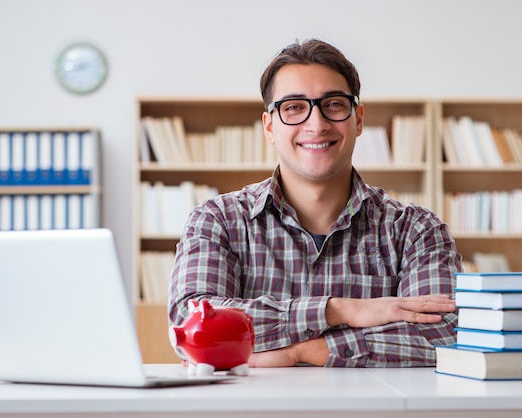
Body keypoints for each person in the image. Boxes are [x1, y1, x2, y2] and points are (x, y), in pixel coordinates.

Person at [168, 39, 461, 368]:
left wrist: (303, 352)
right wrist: (339, 310)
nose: (317, 124)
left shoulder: (416, 230)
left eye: (333, 104)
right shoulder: (217, 220)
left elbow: (446, 333)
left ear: (358, 119)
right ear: (269, 126)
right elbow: (190, 323)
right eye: (294, 107)